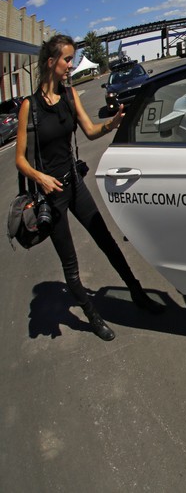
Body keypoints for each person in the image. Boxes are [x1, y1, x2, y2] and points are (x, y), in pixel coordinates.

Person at [15, 34, 165, 342]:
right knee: (70, 264)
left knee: (107, 240)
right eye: (67, 59)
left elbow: (91, 130)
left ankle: (137, 293)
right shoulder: (29, 107)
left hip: (74, 182)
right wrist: (40, 178)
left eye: (72, 59)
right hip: (51, 194)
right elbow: (19, 159)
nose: (71, 65)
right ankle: (92, 317)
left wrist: (112, 124)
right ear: (51, 62)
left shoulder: (70, 96)